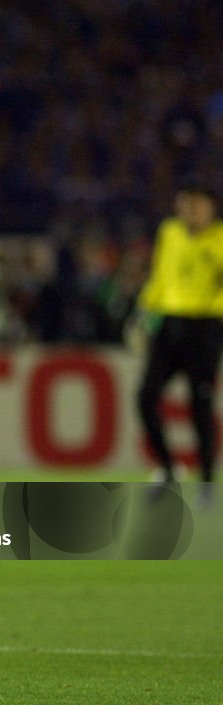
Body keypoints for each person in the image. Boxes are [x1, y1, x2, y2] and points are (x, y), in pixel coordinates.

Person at [134, 179, 223, 501]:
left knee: (200, 405)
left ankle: (207, 481)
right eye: (186, 204)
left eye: (197, 204)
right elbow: (161, 277)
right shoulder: (169, 233)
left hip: (206, 326)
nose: (191, 211)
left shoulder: (219, 240)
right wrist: (143, 312)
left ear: (211, 207)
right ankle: (170, 470)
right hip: (170, 325)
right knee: (145, 397)